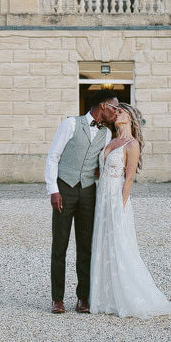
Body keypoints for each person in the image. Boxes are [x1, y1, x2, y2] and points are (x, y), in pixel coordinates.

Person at [89, 102, 171, 318]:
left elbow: (129, 179)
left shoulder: (131, 144)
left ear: (130, 118)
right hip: (103, 197)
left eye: (121, 111)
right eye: (116, 111)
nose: (116, 113)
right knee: (103, 243)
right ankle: (105, 297)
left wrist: (121, 206)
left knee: (120, 243)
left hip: (117, 198)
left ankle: (129, 295)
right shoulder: (110, 139)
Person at [43, 89, 120, 314]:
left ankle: (83, 297)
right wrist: (53, 190)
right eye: (115, 107)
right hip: (64, 189)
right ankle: (57, 298)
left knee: (86, 246)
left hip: (88, 192)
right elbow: (53, 156)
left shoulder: (106, 134)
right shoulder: (70, 124)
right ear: (103, 106)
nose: (116, 112)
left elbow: (102, 164)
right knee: (60, 245)